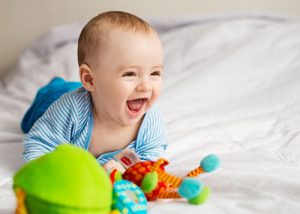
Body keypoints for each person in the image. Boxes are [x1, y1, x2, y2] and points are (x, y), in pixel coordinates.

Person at [21, 11, 167, 172]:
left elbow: (152, 161)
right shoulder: (71, 109)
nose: (146, 86)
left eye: (155, 73)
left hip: (97, 93)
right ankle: (54, 84)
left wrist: (124, 169)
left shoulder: (150, 121)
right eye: (130, 74)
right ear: (90, 79)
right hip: (55, 98)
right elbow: (39, 144)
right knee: (31, 119)